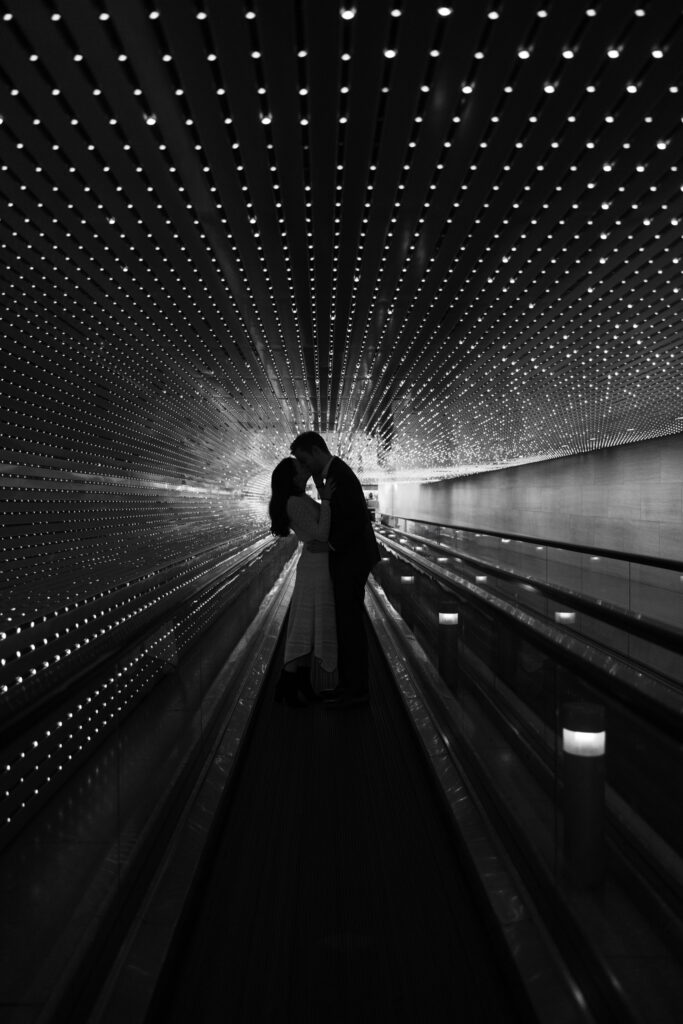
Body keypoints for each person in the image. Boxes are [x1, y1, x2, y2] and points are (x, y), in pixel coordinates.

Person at [290, 432, 380, 708]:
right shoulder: (333, 473)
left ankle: (356, 691)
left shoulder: (339, 474)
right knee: (345, 623)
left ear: (316, 451)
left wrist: (329, 546)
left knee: (350, 624)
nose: (305, 466)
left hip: (352, 559)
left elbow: (354, 519)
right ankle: (348, 686)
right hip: (351, 557)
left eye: (305, 459)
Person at [268, 457, 337, 707]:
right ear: (292, 477)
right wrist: (327, 500)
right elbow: (320, 532)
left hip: (318, 564)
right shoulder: (293, 503)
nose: (305, 468)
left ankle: (297, 684)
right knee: (303, 624)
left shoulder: (300, 499)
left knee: (308, 624)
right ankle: (289, 683)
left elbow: (320, 528)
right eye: (300, 468)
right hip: (314, 569)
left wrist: (320, 488)